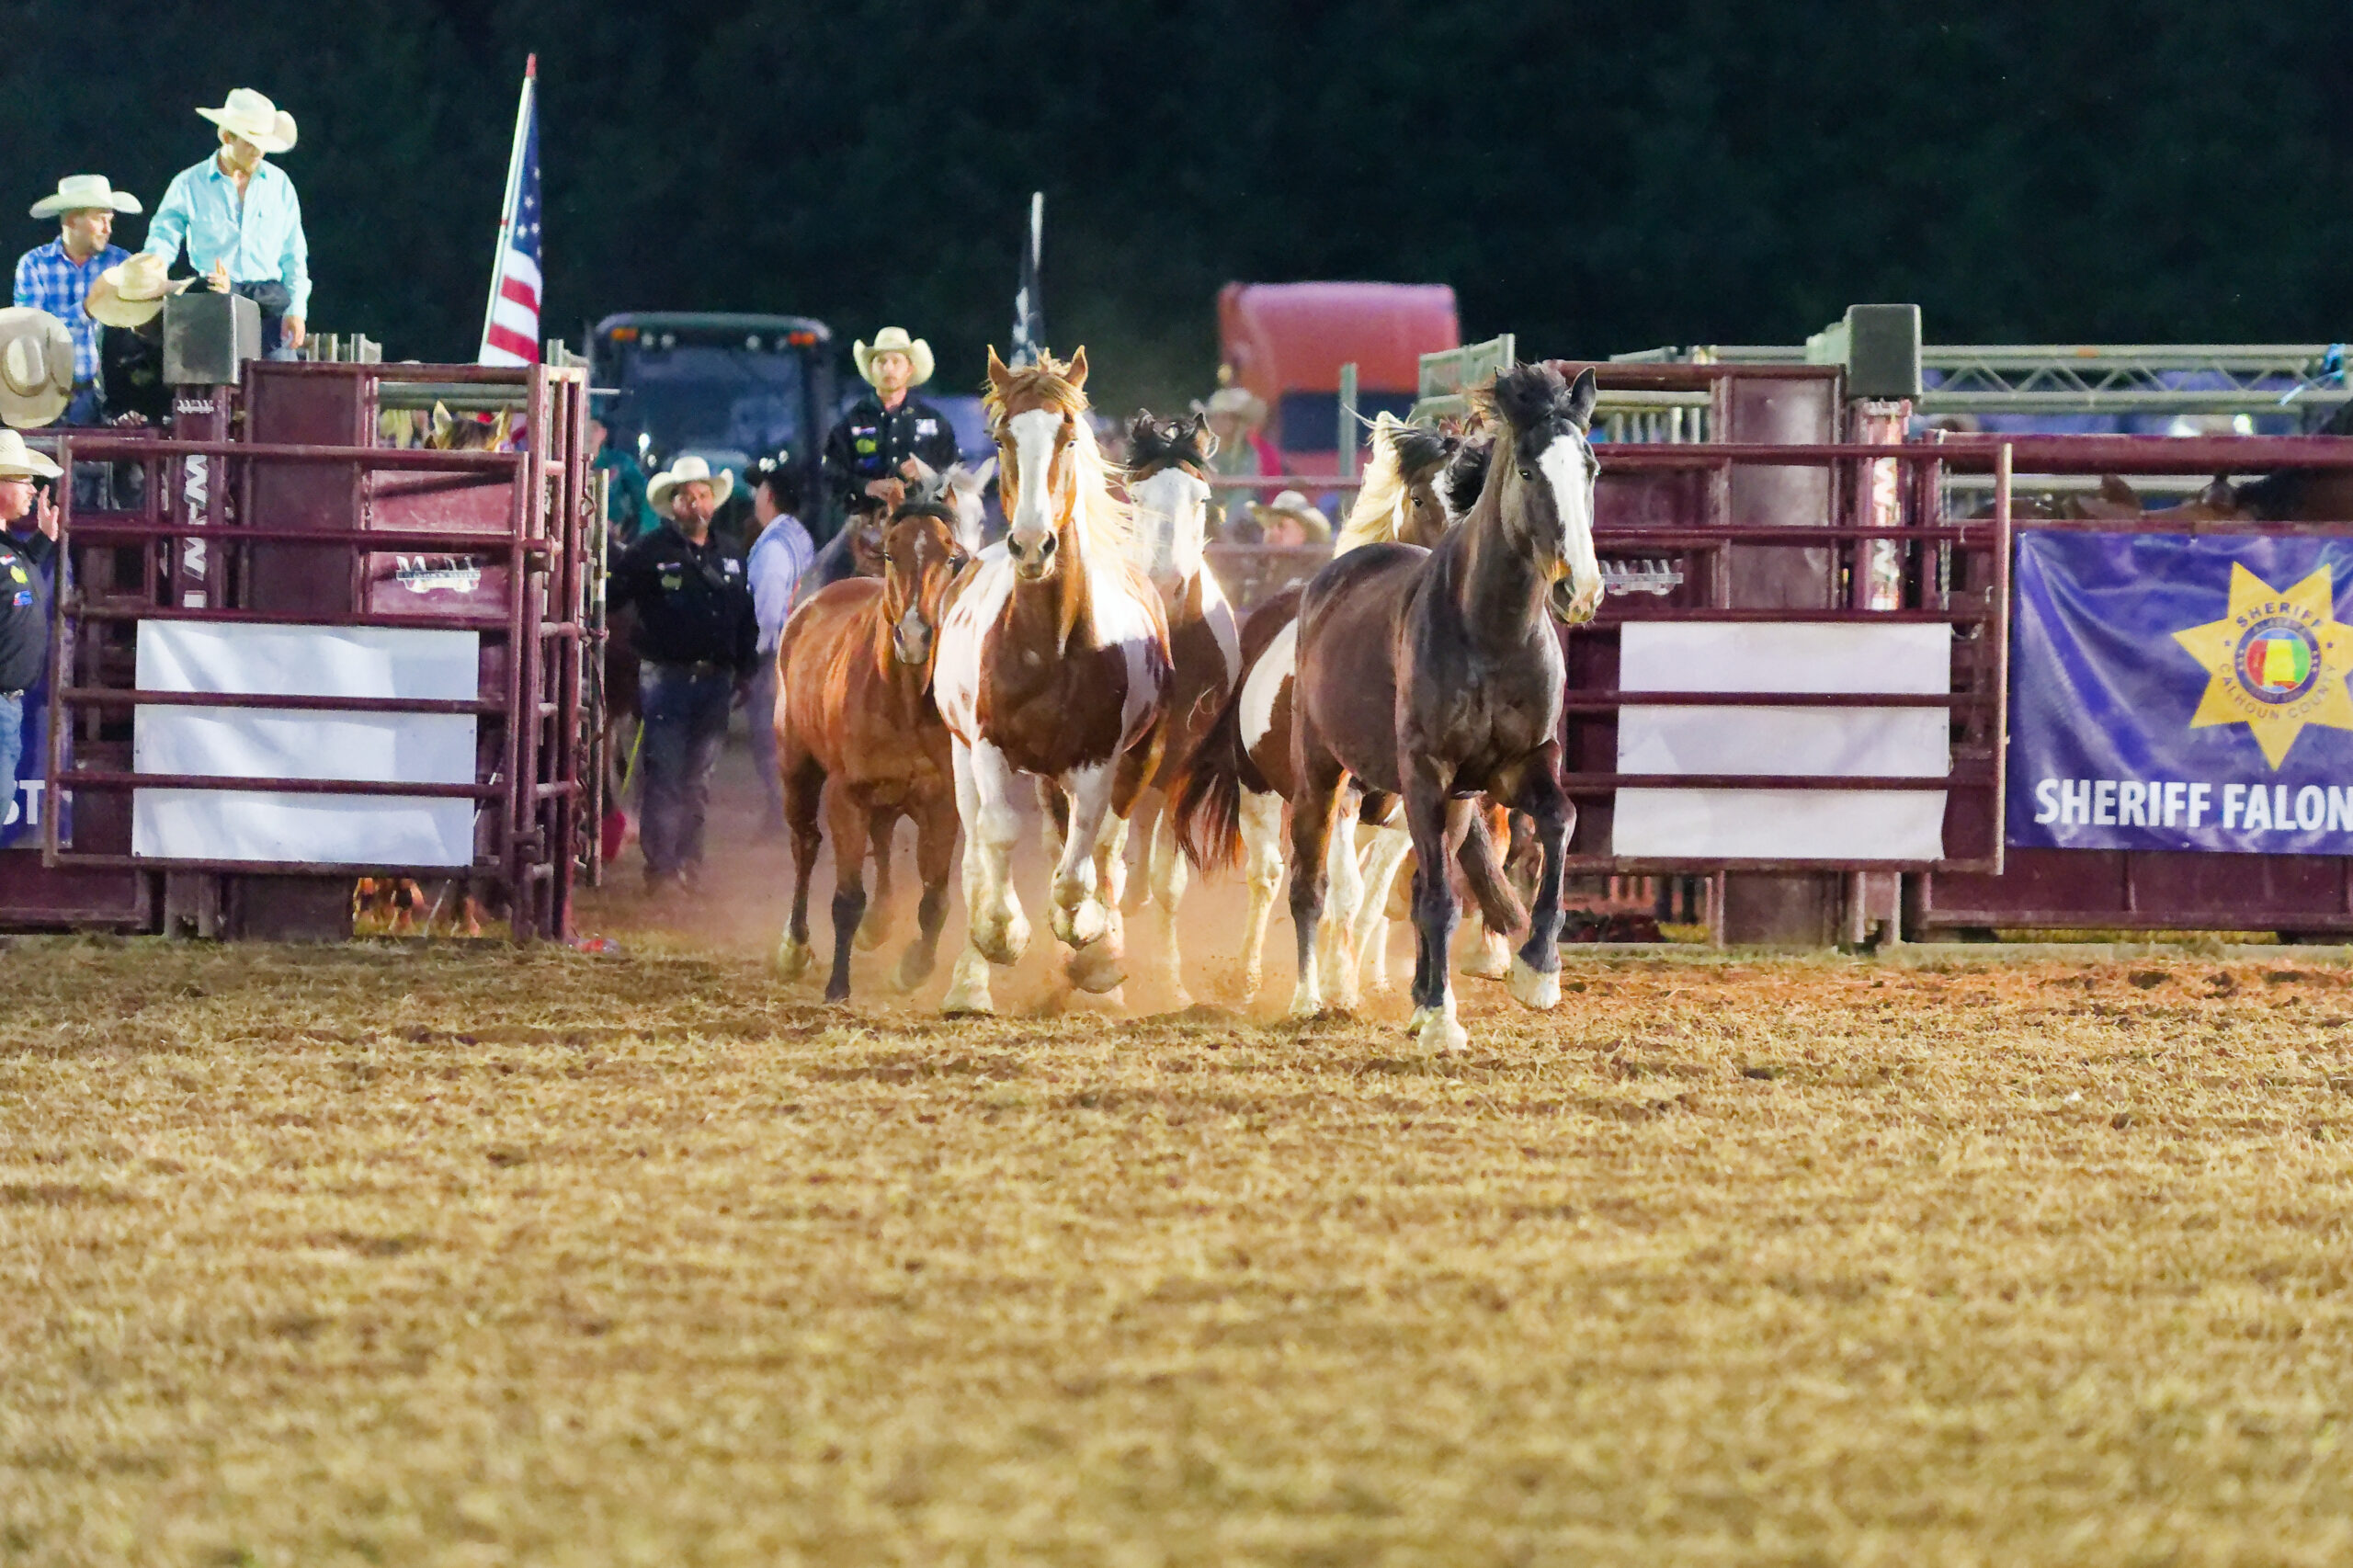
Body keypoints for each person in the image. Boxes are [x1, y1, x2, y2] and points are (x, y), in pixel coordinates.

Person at [607, 454, 758, 893]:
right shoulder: (649, 552)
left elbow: (744, 616)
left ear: (713, 502)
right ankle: (663, 868)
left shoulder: (731, 554)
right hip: (665, 679)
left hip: (715, 679)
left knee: (698, 780)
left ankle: (689, 863)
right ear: (672, 505)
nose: (695, 504)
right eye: (686, 497)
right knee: (667, 774)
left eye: (702, 496)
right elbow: (612, 596)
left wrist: (745, 667)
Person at [143, 89, 310, 359]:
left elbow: (294, 255)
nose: (259, 150)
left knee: (279, 392)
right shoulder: (188, 184)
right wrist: (153, 269)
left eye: (263, 142)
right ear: (226, 136)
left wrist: (297, 310)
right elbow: (163, 236)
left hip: (268, 308)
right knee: (206, 393)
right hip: (211, 306)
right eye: (249, 142)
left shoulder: (280, 185)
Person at [13, 176, 140, 428]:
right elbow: (30, 337)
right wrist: (86, 309)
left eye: (110, 220)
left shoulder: (121, 263)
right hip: (50, 398)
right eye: (100, 219)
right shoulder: (34, 264)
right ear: (72, 220)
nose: (108, 228)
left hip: (112, 401)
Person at [744, 452, 816, 839]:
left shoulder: (773, 545)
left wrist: (757, 654)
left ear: (769, 495)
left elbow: (769, 611)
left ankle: (783, 814)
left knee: (768, 739)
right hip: (797, 649)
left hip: (776, 652)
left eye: (758, 490)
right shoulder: (796, 535)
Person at [819, 326, 960, 525]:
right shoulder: (850, 424)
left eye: (896, 362)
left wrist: (929, 475)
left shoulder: (935, 423)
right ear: (871, 368)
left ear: (910, 369)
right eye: (882, 361)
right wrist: (866, 486)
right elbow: (829, 476)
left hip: (924, 528)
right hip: (865, 526)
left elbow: (958, 476)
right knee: (830, 555)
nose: (889, 369)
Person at [0, 430, 60, 811]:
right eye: (23, 480)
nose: (33, 489)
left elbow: (19, 580)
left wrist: (43, 539)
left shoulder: (12, 549)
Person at [1194, 383, 1282, 538]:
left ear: (1238, 422)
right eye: (1214, 416)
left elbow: (1243, 496)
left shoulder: (1249, 454)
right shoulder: (1199, 451)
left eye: (1226, 417)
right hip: (1202, 521)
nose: (1218, 422)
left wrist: (1223, 529)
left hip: (1238, 525)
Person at [588, 411, 657, 542]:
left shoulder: (620, 463)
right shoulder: (566, 461)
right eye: (585, 427)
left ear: (604, 433)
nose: (589, 434)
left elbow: (644, 498)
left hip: (611, 538)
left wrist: (643, 539)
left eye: (594, 428)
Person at [1246, 488, 1333, 548]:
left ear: (1302, 532)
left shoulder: (1315, 570)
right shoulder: (1261, 568)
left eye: (1281, 526)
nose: (1273, 532)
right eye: (1269, 526)